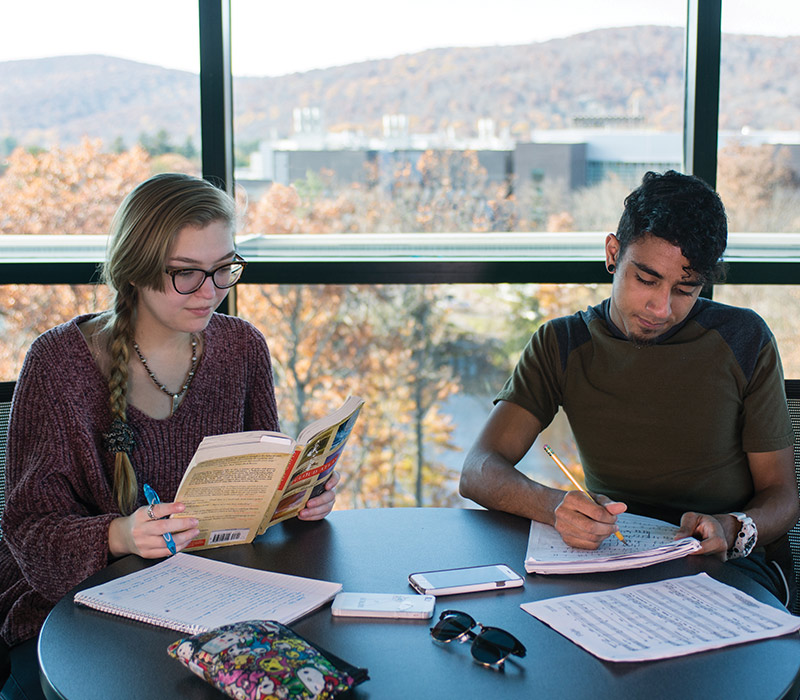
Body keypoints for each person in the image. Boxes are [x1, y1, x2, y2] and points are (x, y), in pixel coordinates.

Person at [0, 173, 340, 699]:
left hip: (218, 599)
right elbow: (29, 533)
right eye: (186, 274)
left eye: (224, 268)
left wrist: (296, 496)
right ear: (134, 271)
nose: (211, 292)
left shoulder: (242, 348)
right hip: (75, 616)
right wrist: (118, 535)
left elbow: (254, 482)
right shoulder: (58, 363)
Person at [460, 170, 799, 607]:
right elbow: (477, 470)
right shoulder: (562, 344)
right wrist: (554, 506)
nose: (661, 308)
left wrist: (733, 527)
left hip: (727, 567)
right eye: (646, 279)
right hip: (613, 562)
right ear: (613, 253)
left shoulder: (744, 339)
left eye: (685, 289)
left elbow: (783, 497)